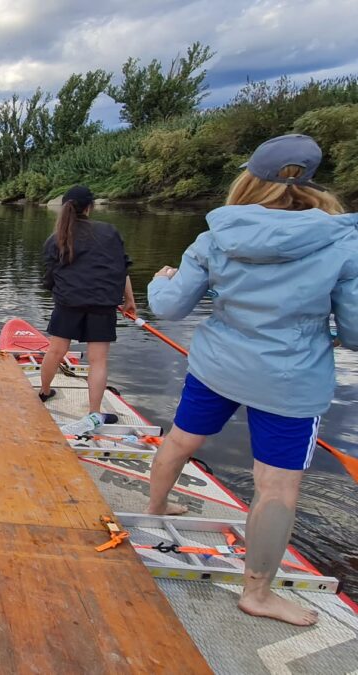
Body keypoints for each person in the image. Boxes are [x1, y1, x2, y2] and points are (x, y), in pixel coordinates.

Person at [146, 134, 358, 626]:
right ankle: (257, 593)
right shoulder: (343, 241)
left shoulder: (215, 236)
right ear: (308, 180)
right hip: (290, 381)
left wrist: (159, 278)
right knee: (278, 487)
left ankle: (157, 507)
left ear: (250, 178)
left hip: (216, 366)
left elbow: (170, 307)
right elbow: (353, 332)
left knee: (179, 440)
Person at [39, 185, 136, 435]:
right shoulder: (109, 232)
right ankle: (94, 412)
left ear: (64, 207)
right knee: (98, 360)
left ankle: (44, 392)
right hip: (102, 304)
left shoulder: (56, 238)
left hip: (68, 302)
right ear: (90, 207)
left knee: (56, 350)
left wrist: (60, 295)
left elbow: (49, 277)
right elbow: (121, 268)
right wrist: (129, 300)